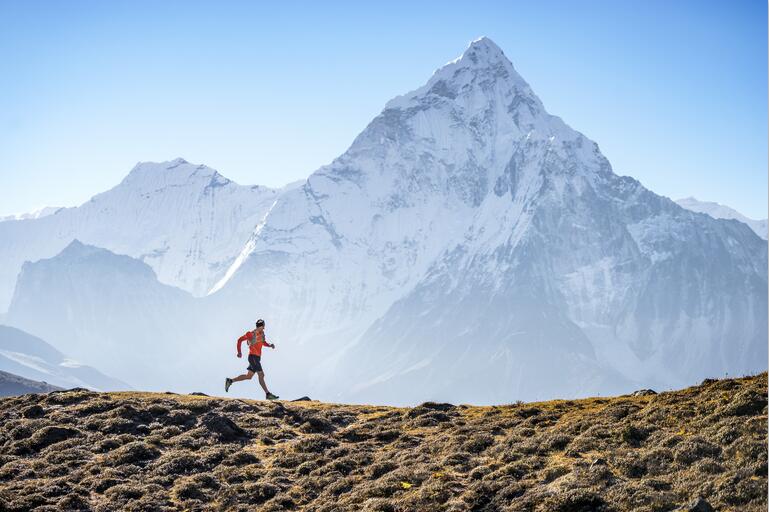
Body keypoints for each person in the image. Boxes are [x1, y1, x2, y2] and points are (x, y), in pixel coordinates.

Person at [225, 319, 279, 400]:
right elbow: (239, 340)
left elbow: (263, 343)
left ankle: (230, 381)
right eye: (264, 326)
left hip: (256, 358)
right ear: (261, 326)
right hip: (253, 357)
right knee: (261, 375)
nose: (264, 328)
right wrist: (239, 352)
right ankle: (268, 394)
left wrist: (270, 345)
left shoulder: (262, 334)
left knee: (249, 376)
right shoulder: (251, 334)